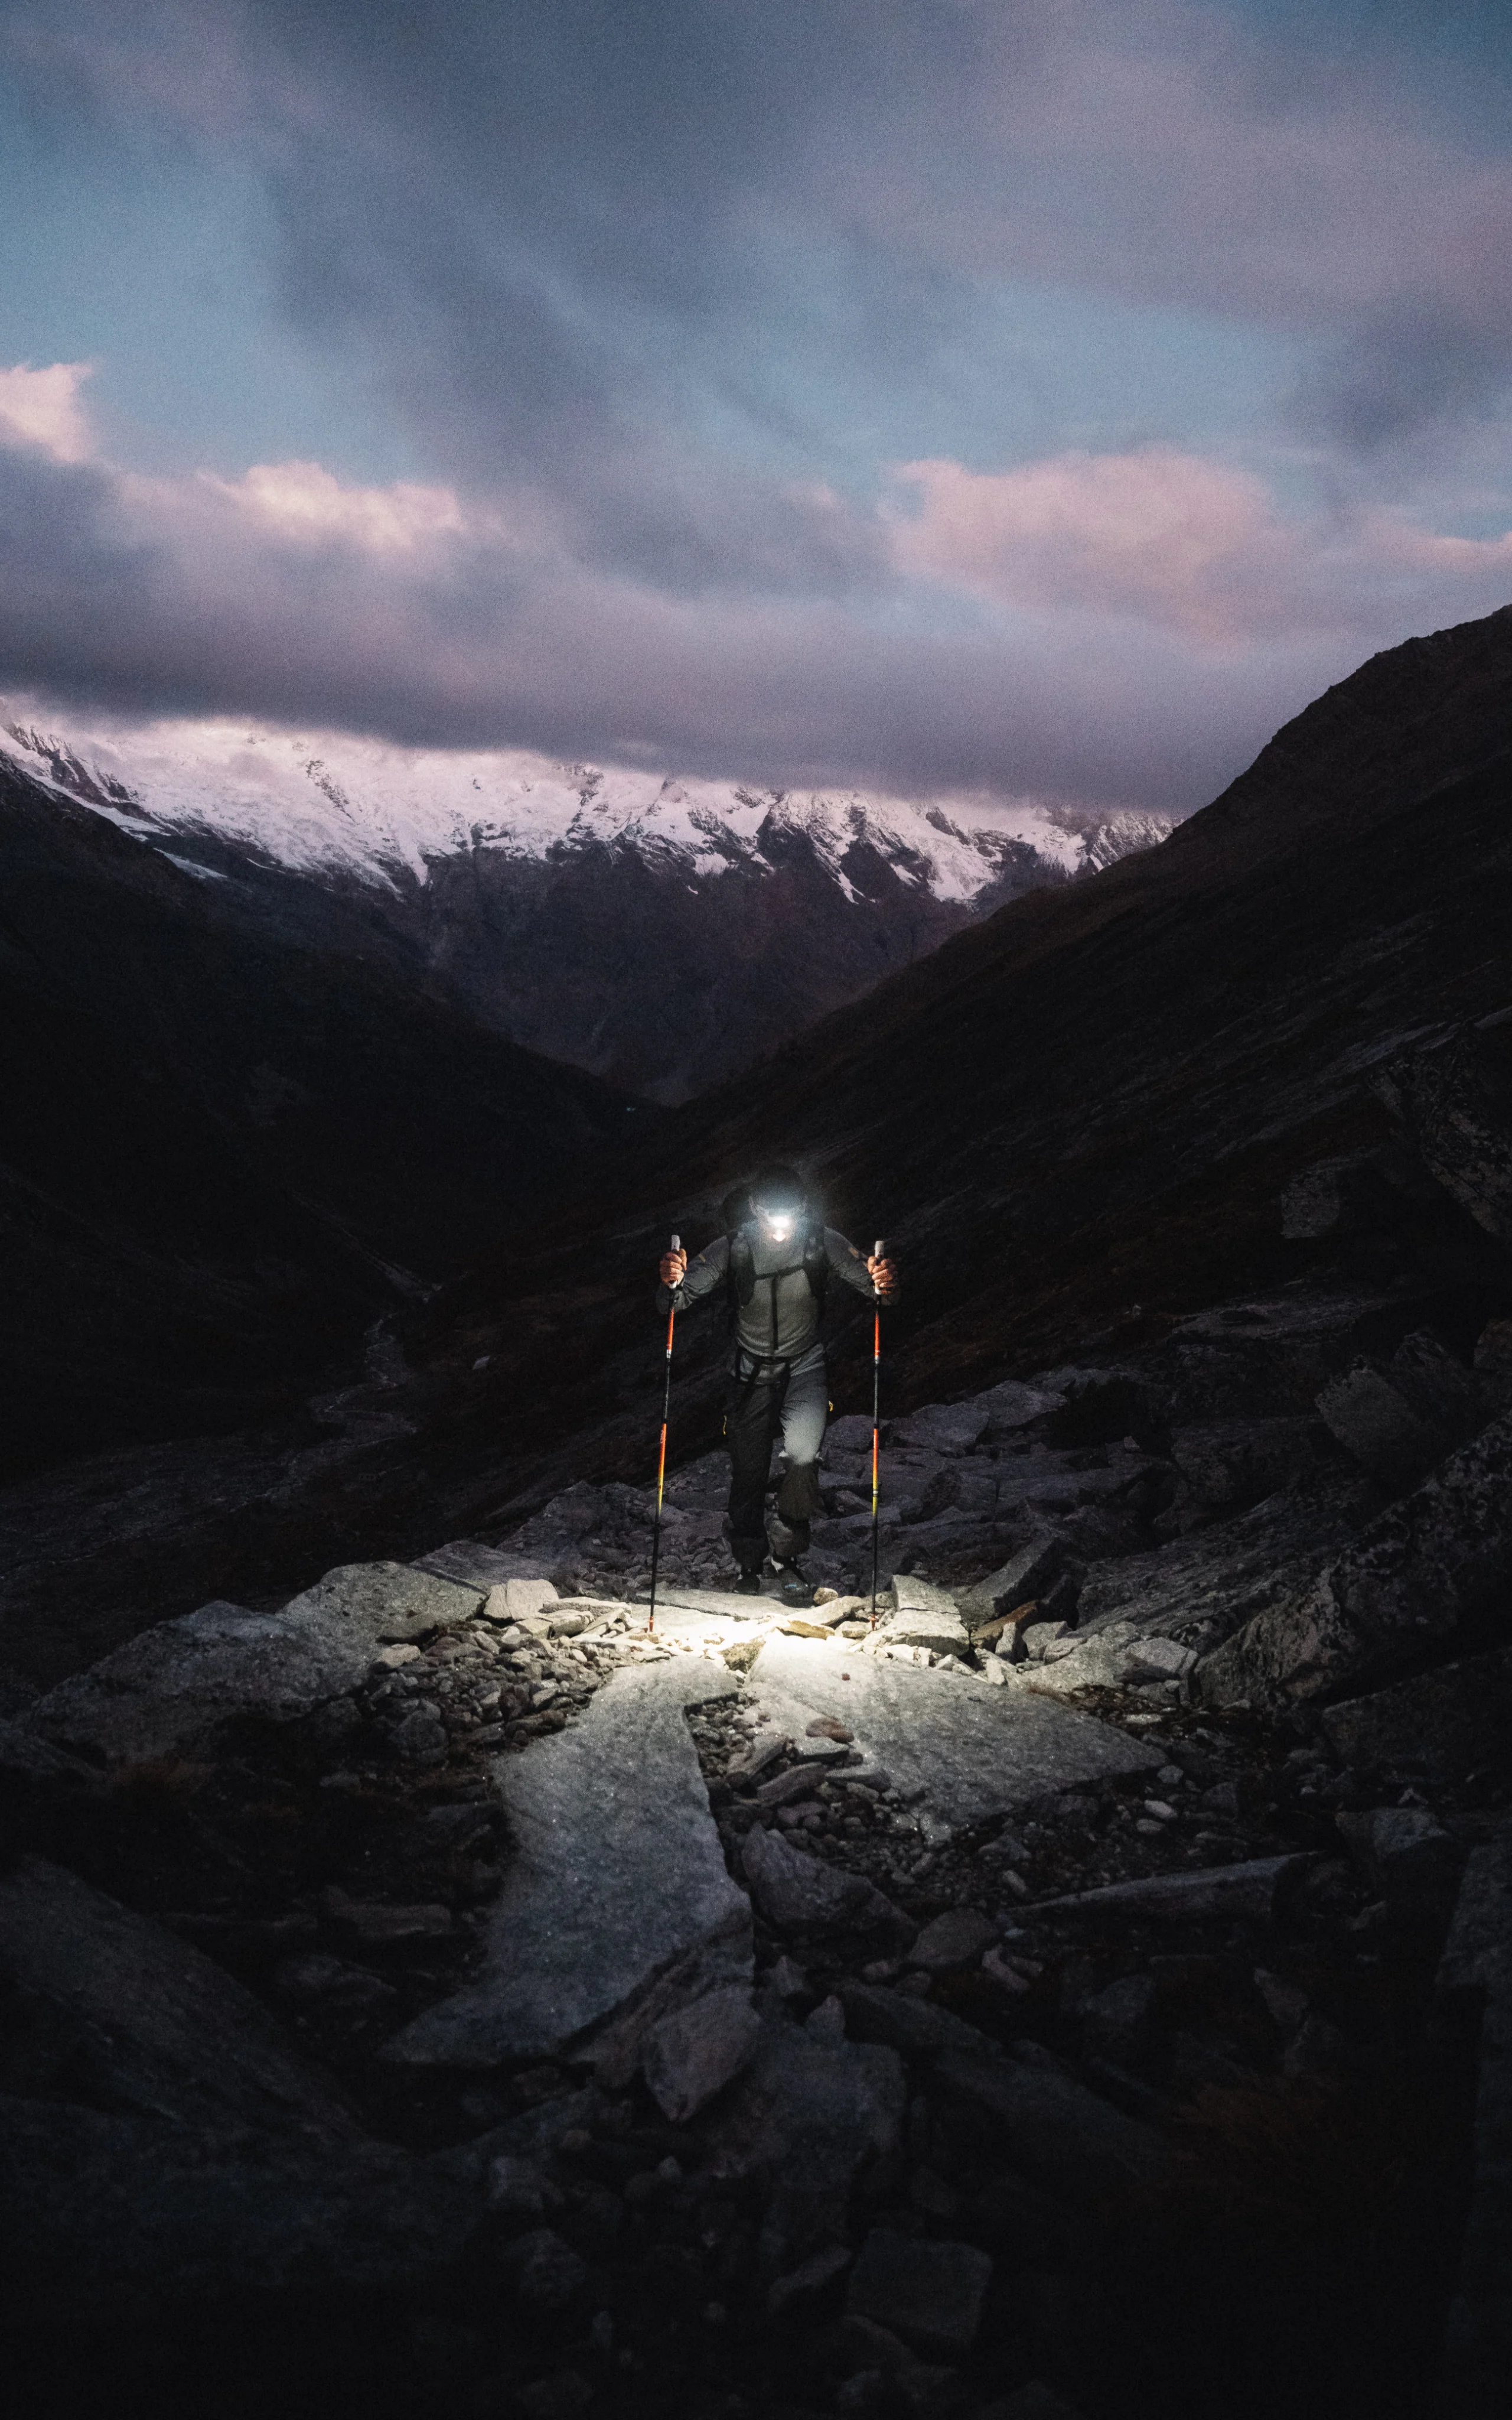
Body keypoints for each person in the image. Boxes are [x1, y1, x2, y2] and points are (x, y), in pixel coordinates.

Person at [656, 1165, 897, 1606]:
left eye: (787, 1212)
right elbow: (677, 1299)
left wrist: (883, 1279)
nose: (780, 1223)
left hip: (805, 1368)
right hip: (749, 1375)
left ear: (803, 1206)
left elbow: (876, 1290)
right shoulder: (735, 1246)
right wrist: (672, 1280)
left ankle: (787, 1557)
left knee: (802, 1458)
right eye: (771, 1212)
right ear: (754, 1207)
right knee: (748, 1472)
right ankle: (749, 1561)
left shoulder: (821, 1240)